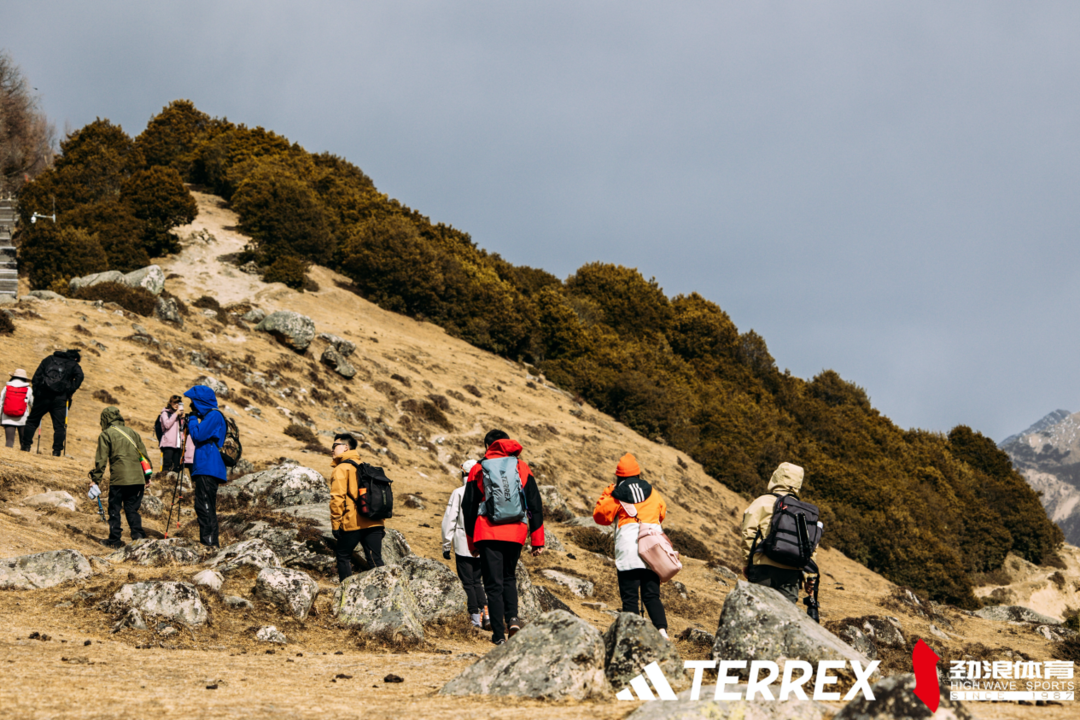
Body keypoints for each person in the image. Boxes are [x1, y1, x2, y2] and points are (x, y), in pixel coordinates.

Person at [463, 429, 545, 645]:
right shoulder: (521, 467)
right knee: (509, 576)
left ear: (487, 446)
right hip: (516, 531)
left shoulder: (479, 469)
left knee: (493, 584)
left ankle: (499, 635)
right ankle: (514, 620)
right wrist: (537, 540)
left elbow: (469, 507)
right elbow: (535, 504)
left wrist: (472, 542)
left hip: (488, 531)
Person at [593, 453, 670, 639]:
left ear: (618, 475)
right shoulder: (652, 492)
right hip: (652, 549)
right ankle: (662, 631)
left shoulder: (616, 493)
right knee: (651, 595)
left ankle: (633, 637)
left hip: (628, 549)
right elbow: (662, 513)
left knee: (630, 597)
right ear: (638, 474)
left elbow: (600, 516)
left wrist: (610, 492)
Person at [740, 462, 818, 604]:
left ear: (776, 477)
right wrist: (810, 576)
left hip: (763, 565)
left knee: (757, 612)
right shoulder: (804, 510)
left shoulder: (762, 501)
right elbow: (811, 545)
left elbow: (748, 532)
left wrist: (747, 561)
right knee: (786, 619)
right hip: (792, 572)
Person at [89, 407, 151, 548]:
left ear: (104, 419)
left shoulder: (106, 434)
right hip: (137, 479)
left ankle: (115, 540)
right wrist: (147, 476)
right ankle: (138, 538)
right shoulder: (133, 433)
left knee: (114, 509)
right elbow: (144, 456)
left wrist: (95, 480)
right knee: (132, 509)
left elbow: (101, 460)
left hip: (120, 479)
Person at [442, 459, 489, 630]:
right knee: (478, 581)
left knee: (468, 582)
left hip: (463, 543)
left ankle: (474, 618)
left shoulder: (459, 492)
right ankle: (487, 613)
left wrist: (446, 545)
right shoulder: (486, 491)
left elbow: (450, 519)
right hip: (483, 543)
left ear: (464, 473)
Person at [329, 433, 384, 580]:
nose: (332, 450)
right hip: (375, 521)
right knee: (376, 562)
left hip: (353, 522)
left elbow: (337, 498)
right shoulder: (366, 467)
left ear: (346, 448)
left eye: (334, 446)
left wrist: (335, 524)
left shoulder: (342, 468)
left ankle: (346, 596)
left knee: (343, 556)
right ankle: (386, 597)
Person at [184, 385, 227, 548]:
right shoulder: (210, 416)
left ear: (199, 402)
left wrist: (193, 419)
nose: (190, 406)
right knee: (204, 504)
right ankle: (210, 543)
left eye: (192, 402)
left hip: (208, 466)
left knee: (204, 505)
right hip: (206, 466)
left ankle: (209, 544)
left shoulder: (214, 415)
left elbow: (198, 435)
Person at [22, 349, 83, 455]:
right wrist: (70, 389)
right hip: (60, 398)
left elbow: (36, 376)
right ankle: (57, 451)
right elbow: (80, 376)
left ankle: (25, 446)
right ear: (76, 358)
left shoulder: (49, 359)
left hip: (42, 396)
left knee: (32, 421)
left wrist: (37, 392)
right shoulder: (73, 364)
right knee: (59, 426)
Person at [0, 368, 33, 449]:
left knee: (9, 441)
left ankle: (8, 456)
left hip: (7, 417)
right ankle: (24, 456)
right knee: (23, 441)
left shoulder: (7, 387)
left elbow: (1, 403)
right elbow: (32, 404)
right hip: (23, 418)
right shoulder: (28, 389)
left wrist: (0, 417)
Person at [158, 395, 185, 475]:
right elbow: (167, 425)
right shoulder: (165, 413)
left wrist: (182, 418)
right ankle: (163, 482)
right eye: (175, 402)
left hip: (178, 444)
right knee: (167, 465)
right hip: (168, 444)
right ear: (170, 403)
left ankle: (173, 483)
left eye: (178, 403)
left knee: (176, 467)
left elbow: (183, 429)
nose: (176, 404)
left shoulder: (178, 415)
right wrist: (176, 414)